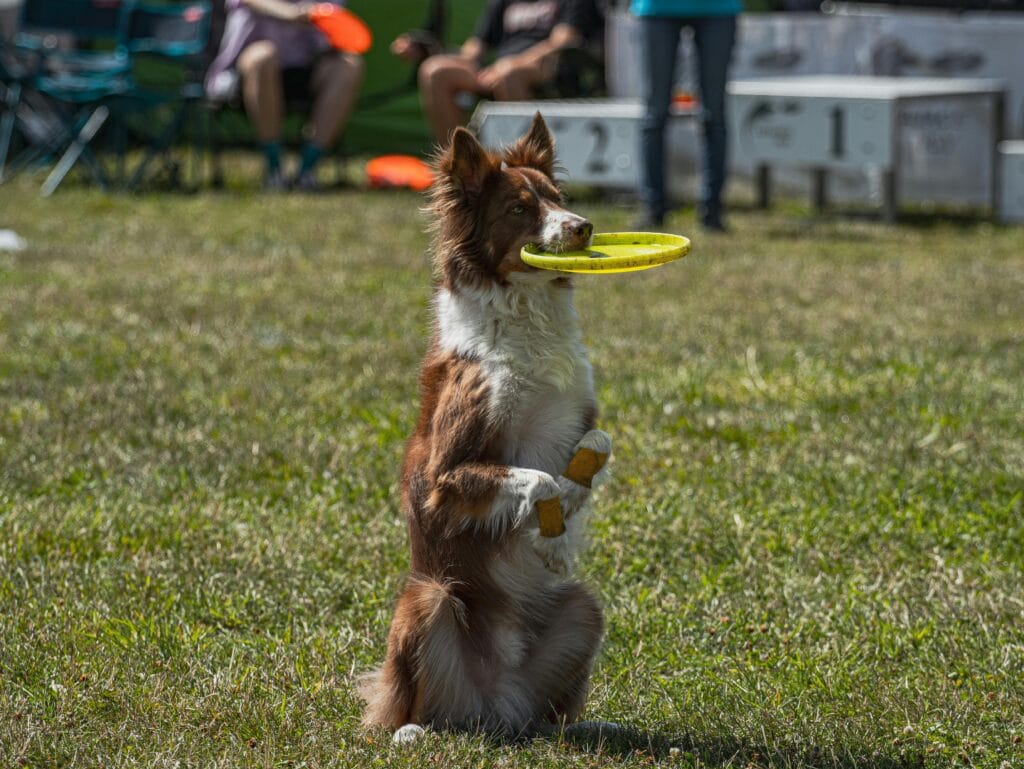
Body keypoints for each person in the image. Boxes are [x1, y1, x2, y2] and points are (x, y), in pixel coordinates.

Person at [205, 0, 364, 190]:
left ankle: (307, 170)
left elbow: (332, 16)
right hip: (244, 75)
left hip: (303, 71)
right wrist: (292, 13)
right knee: (264, 56)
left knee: (350, 66)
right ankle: (274, 170)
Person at [397, 0, 604, 142]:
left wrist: (512, 64)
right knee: (435, 71)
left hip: (550, 69)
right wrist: (431, 52)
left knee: (509, 74)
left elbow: (564, 40)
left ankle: (521, 171)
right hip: (498, 69)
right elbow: (476, 47)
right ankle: (457, 167)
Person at [632, 0, 739, 232]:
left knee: (714, 114)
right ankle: (653, 207)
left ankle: (713, 211)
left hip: (717, 9)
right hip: (658, 8)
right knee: (655, 115)